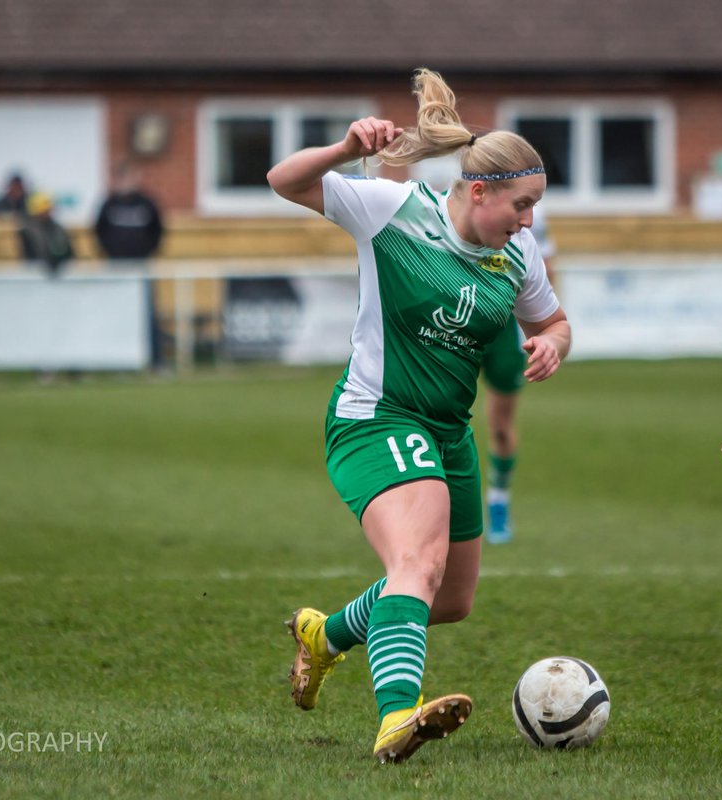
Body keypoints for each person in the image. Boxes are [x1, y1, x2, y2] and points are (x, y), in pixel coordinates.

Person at [266, 68, 570, 765]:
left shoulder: (516, 254)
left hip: (445, 431)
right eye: (520, 205)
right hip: (377, 417)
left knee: (450, 598)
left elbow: (553, 319)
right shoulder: (392, 208)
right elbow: (284, 180)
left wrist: (551, 342)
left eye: (535, 207)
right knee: (417, 561)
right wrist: (345, 150)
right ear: (478, 190)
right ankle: (397, 717)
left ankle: (325, 636)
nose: (529, 222)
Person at [482, 209, 557, 544]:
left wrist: (547, 332)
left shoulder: (531, 214)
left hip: (504, 327)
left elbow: (548, 269)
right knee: (438, 416)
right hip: (452, 320)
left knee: (500, 427)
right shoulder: (448, 192)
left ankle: (498, 498)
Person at [94, 162, 166, 367]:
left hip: (141, 266)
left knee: (148, 313)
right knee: (115, 313)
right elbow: (99, 231)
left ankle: (155, 360)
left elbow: (158, 231)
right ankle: (115, 360)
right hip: (115, 267)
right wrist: (112, 253)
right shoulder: (109, 204)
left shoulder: (147, 203)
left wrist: (146, 251)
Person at [18, 192, 74, 276]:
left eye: (48, 210)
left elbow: (69, 252)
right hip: (34, 275)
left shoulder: (58, 228)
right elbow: (30, 256)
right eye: (44, 210)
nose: (47, 213)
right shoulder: (27, 231)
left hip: (60, 273)